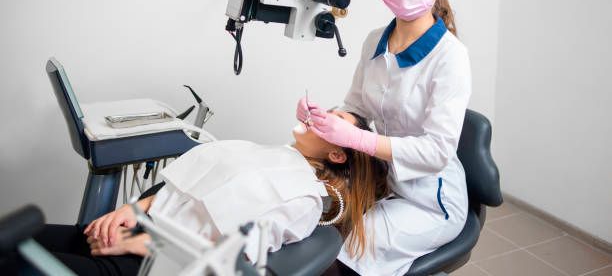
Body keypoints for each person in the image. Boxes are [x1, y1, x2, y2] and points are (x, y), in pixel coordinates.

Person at [3, 110, 388, 276]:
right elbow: (188, 178)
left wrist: (143, 244)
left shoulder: (303, 201)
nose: (317, 116)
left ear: (338, 153)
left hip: (147, 265)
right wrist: (133, 209)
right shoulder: (271, 153)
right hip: (132, 228)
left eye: (332, 122)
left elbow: (232, 260)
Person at [298, 0, 472, 275]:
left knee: (350, 252)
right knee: (313, 228)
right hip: (387, 182)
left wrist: (355, 139)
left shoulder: (450, 57)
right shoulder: (375, 41)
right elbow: (357, 109)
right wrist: (326, 118)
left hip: (431, 201)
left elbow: (437, 151)